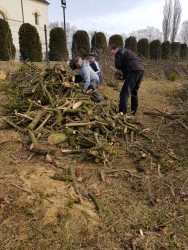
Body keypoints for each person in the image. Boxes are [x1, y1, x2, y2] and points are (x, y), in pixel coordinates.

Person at [111, 45, 144, 115]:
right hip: (141, 69)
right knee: (134, 92)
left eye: (113, 53)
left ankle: (122, 112)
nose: (113, 55)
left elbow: (118, 65)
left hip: (133, 70)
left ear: (116, 49)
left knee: (124, 93)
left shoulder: (119, 52)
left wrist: (115, 58)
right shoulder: (127, 52)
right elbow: (126, 65)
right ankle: (133, 111)